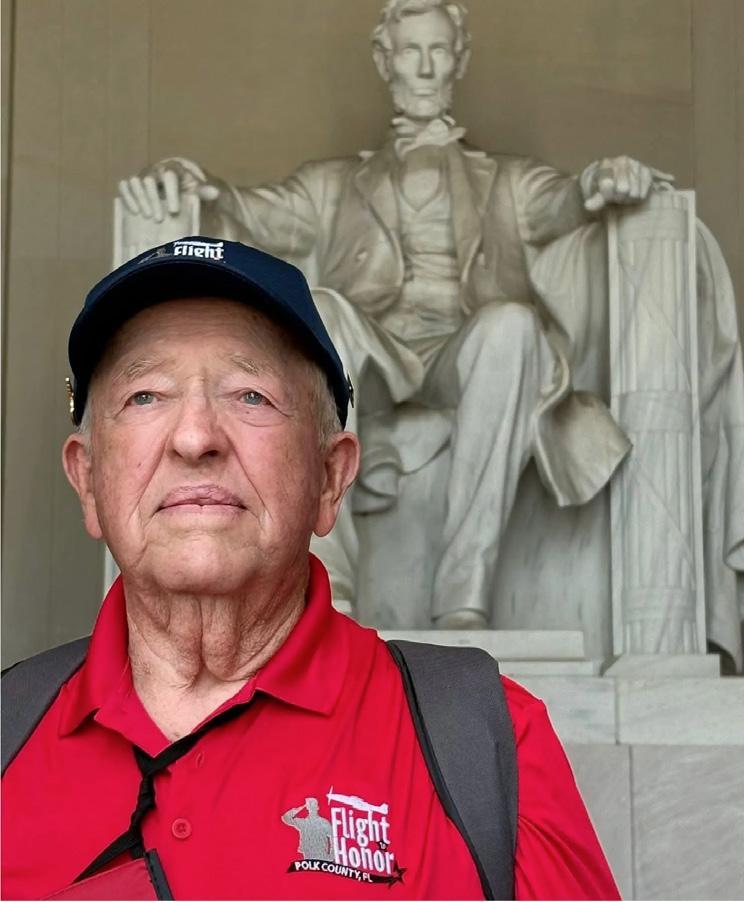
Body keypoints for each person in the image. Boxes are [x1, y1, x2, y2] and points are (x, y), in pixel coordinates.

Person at [1, 237, 619, 900]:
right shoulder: (10, 733)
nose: (195, 437)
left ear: (330, 476)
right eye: (146, 395)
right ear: (88, 481)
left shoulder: (486, 737)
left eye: (251, 395)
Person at [116, 0, 670, 628]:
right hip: (372, 355)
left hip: (464, 355)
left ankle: (465, 595)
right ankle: (330, 580)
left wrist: (601, 181)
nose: (425, 67)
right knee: (321, 309)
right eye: (411, 51)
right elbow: (243, 210)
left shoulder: (507, 183)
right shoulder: (332, 186)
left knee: (514, 325)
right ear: (386, 61)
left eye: (438, 50)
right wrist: (186, 179)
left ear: (458, 60)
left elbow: (566, 201)